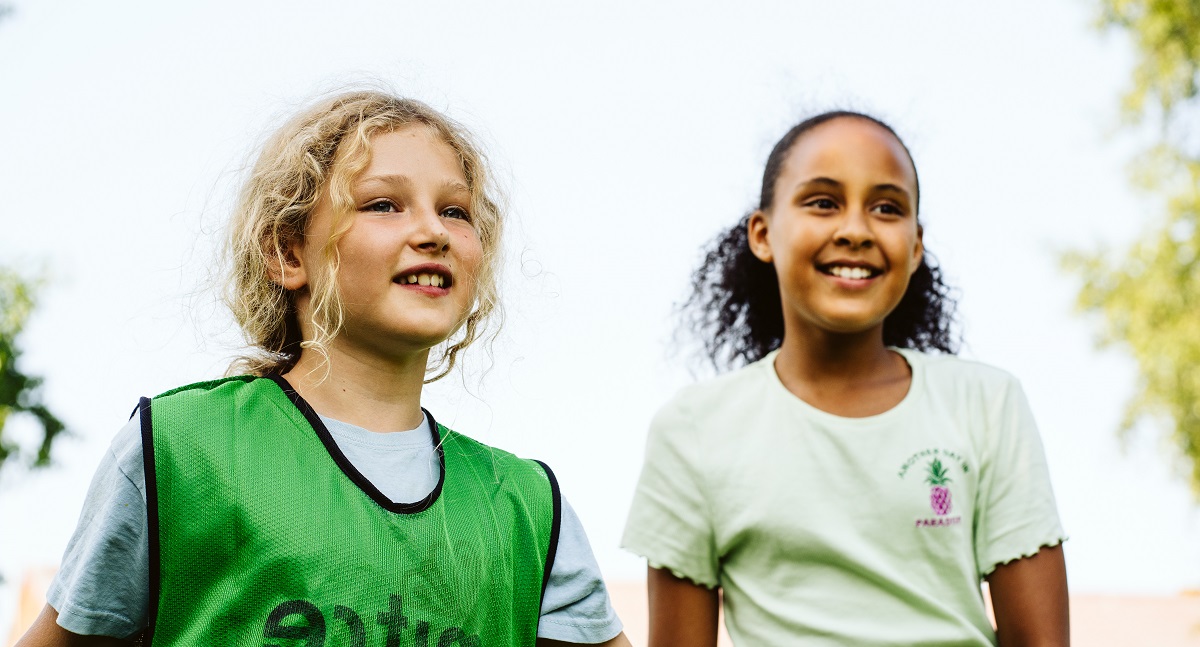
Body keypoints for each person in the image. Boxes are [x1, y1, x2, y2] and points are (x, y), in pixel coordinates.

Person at [19, 91, 630, 647]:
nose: (432, 231)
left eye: (456, 211)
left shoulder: (526, 505)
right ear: (288, 252)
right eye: (384, 205)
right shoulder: (179, 448)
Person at [621, 111, 1069, 646]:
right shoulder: (695, 427)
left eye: (886, 208)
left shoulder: (986, 404)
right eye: (823, 202)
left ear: (916, 245)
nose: (855, 230)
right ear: (763, 235)